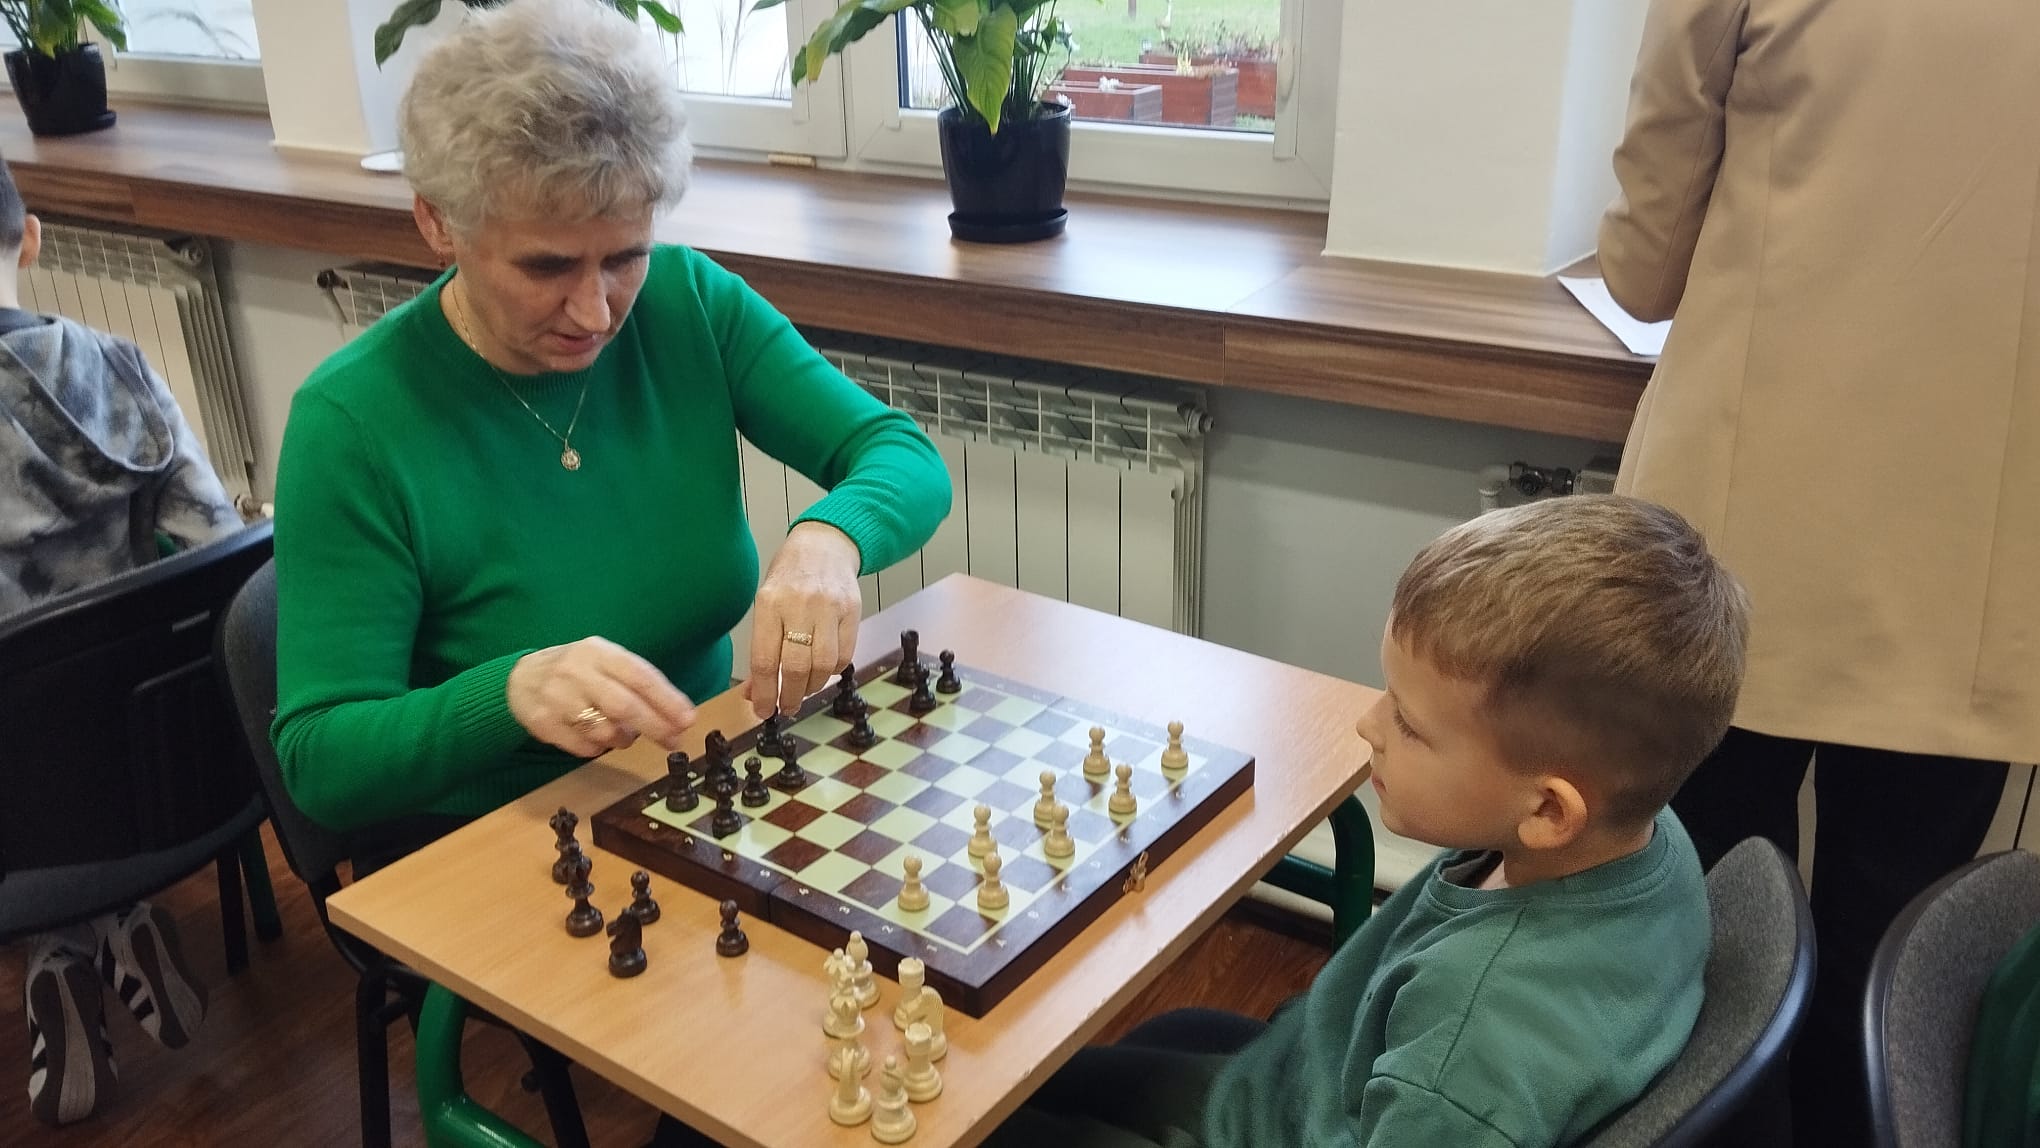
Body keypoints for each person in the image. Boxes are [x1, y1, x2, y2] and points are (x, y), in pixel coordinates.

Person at [270, 0, 949, 850]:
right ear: (437, 221)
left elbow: (902, 455)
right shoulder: (353, 422)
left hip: (697, 781)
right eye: (546, 266)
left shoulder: (688, 302)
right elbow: (320, 763)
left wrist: (829, 540)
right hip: (498, 841)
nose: (595, 312)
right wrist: (509, 693)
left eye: (625, 256)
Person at [1597, 1, 2039, 1138]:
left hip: (1742, 522)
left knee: (1701, 926)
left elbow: (1642, 271)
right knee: (1891, 969)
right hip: (1978, 541)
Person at [979, 495, 1747, 1148]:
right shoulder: (1644, 832)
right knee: (1039, 1085)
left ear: (1549, 810)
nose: (1368, 725)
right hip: (1296, 1082)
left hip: (1275, 1125)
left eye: (1409, 724)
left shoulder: (1468, 1052)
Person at [0, 158, 234, 1123]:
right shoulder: (120, 366)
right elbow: (223, 552)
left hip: (16, 806)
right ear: (32, 239)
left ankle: (58, 950)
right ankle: (107, 925)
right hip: (164, 763)